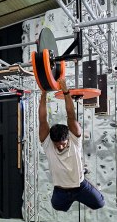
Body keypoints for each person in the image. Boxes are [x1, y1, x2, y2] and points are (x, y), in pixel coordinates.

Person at [39, 77, 105, 213]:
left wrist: (66, 91)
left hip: (80, 186)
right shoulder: (48, 143)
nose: (60, 147)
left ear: (68, 138)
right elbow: (42, 119)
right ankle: (70, 198)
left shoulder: (74, 138)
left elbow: (71, 115)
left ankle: (85, 178)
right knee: (58, 207)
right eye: (57, 145)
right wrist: (44, 94)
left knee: (99, 203)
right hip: (61, 190)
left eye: (63, 144)